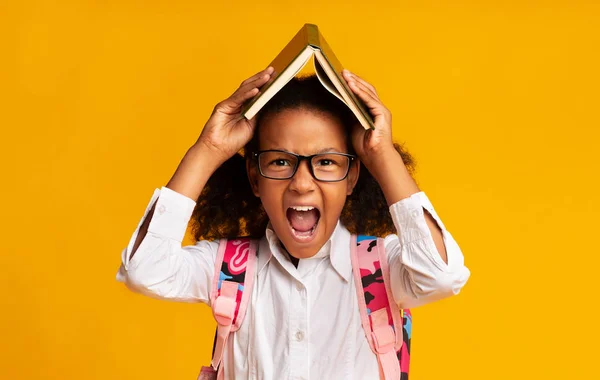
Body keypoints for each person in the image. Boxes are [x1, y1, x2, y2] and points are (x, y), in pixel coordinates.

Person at [116, 67, 471, 379]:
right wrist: (208, 148)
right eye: (281, 162)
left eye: (327, 162)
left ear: (352, 177)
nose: (302, 183)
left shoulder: (382, 268)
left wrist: (383, 155)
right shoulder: (228, 269)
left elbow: (441, 275)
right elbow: (144, 270)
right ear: (255, 179)